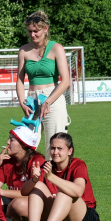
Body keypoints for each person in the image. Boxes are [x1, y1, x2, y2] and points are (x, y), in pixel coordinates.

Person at [21, 132, 99, 221]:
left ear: (70, 151)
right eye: (52, 148)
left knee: (64, 192)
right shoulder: (47, 166)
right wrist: (34, 179)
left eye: (60, 148)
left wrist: (51, 177)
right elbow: (24, 192)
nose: (55, 152)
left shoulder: (78, 165)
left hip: (84, 220)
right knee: (37, 185)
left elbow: (78, 192)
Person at [16, 10, 72, 149]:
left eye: (36, 31)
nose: (32, 35)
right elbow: (20, 80)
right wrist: (22, 103)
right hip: (31, 101)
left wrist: (47, 101)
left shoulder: (56, 48)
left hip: (52, 100)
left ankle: (53, 172)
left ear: (45, 29)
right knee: (25, 147)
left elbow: (66, 81)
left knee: (54, 148)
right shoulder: (23, 50)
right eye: (29, 31)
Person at [0, 126, 47, 221]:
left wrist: (2, 192)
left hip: (35, 203)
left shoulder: (37, 161)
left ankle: (6, 220)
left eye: (12, 140)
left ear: (23, 144)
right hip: (13, 201)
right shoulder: (7, 160)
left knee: (18, 205)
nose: (7, 142)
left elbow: (32, 194)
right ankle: (6, 220)